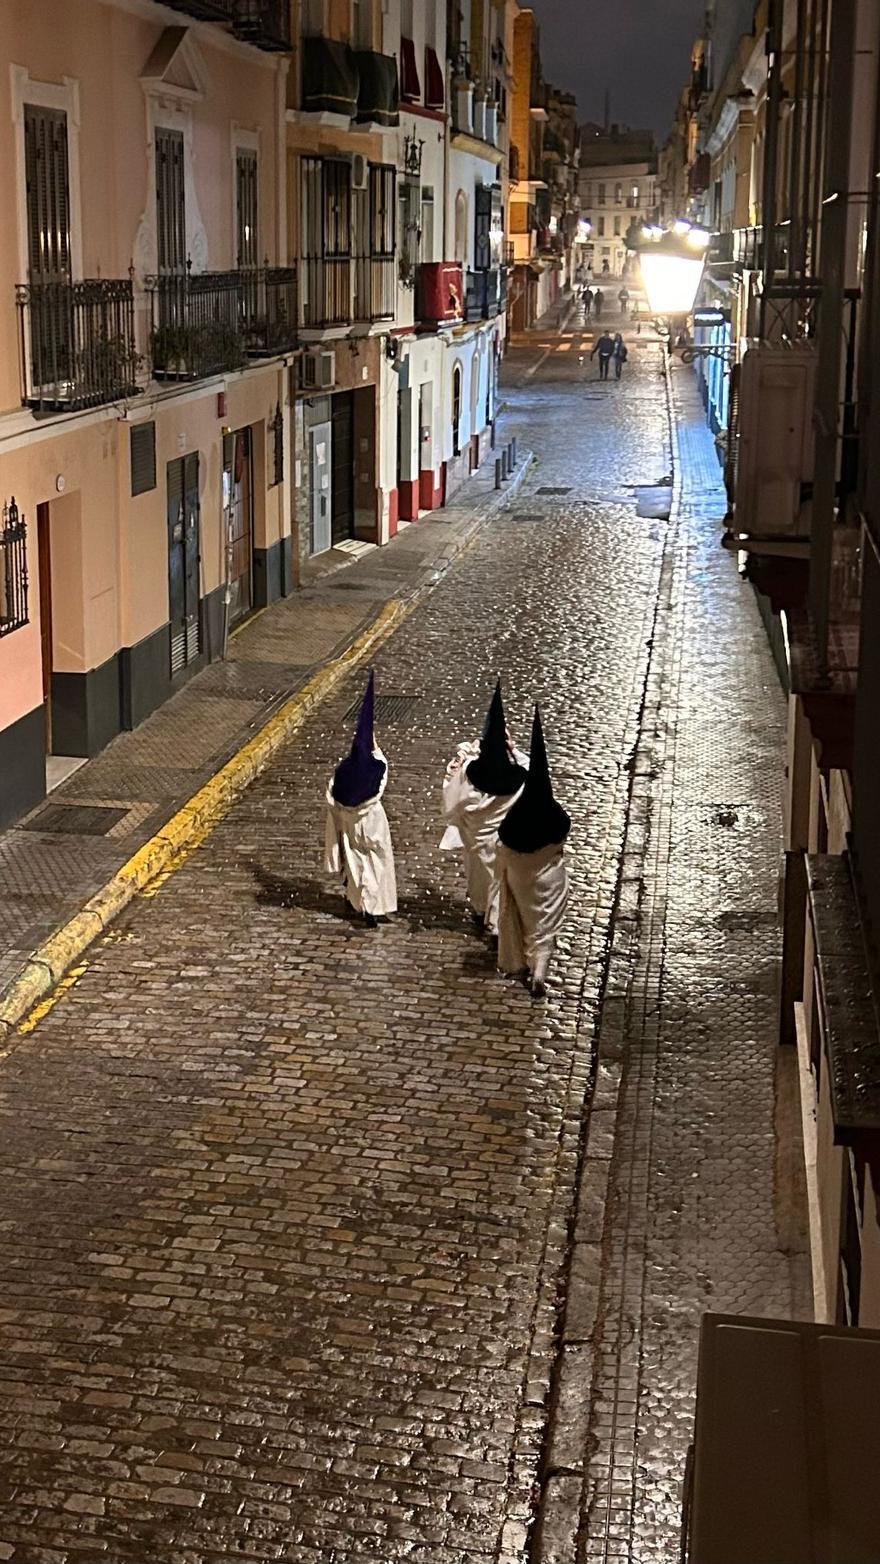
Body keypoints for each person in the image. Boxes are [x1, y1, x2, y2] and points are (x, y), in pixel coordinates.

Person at [440, 681, 528, 934]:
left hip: (477, 842)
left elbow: (452, 799)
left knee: (481, 881)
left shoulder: (470, 772)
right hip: (504, 841)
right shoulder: (519, 774)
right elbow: (530, 769)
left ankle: (482, 912)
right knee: (502, 882)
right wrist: (514, 750)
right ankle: (499, 922)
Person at [496, 707, 571, 998]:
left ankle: (527, 959)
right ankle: (540, 968)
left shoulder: (513, 823)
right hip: (549, 879)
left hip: (519, 877)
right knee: (546, 924)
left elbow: (502, 845)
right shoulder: (555, 819)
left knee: (526, 919)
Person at [325, 670, 397, 926]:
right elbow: (382, 764)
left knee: (356, 864)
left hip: (350, 825)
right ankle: (374, 904)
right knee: (376, 863)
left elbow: (331, 797)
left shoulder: (342, 774)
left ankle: (360, 902)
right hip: (373, 825)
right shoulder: (376, 771)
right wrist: (374, 743)